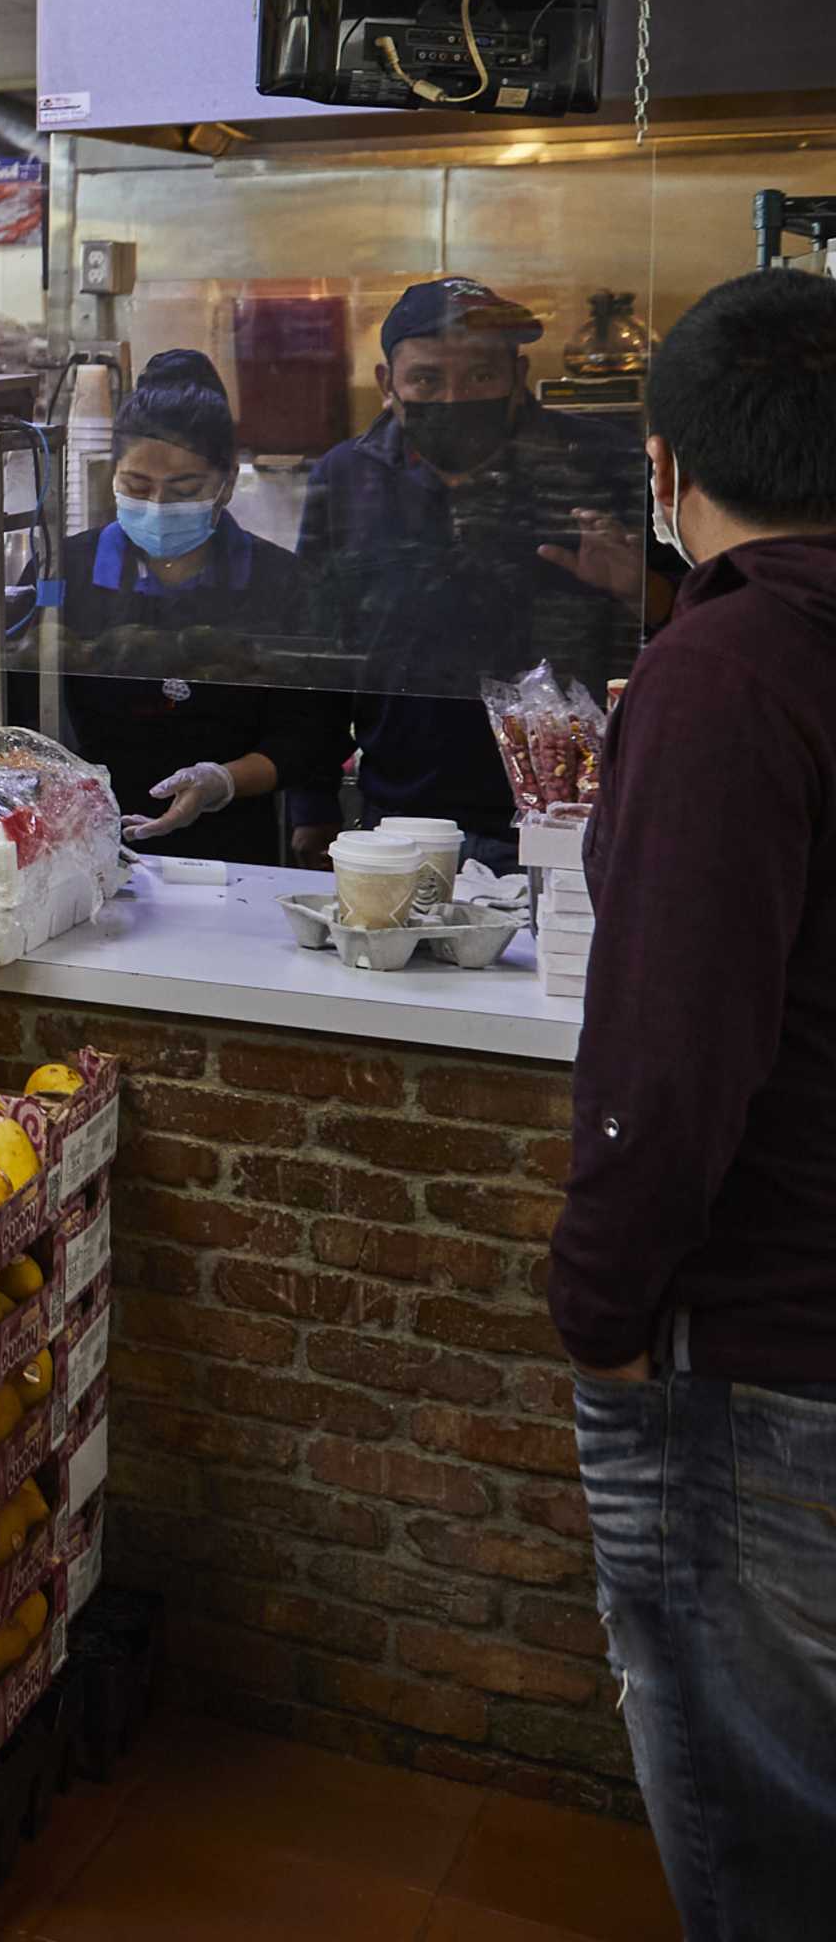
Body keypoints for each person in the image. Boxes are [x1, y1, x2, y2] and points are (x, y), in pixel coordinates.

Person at [547, 269, 836, 1938]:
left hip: (769, 1370)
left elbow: (668, 1067)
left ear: (663, 471)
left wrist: (597, 1312)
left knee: (762, 1857)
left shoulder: (727, 676)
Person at [299, 275, 657, 856]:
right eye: (427, 379)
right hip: (401, 816)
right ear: (388, 385)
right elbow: (316, 656)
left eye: (481, 376)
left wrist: (641, 589)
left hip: (584, 814)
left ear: (518, 378)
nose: (454, 399)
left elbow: (691, 621)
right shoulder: (345, 479)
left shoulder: (605, 465)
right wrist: (311, 804)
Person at [55, 349, 340, 861]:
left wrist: (220, 781)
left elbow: (312, 733)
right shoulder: (67, 571)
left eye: (185, 489)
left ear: (227, 482)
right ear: (112, 476)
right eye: (136, 486)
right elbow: (20, 708)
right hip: (80, 846)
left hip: (233, 856)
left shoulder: (283, 582)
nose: (159, 506)